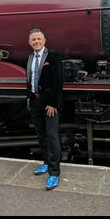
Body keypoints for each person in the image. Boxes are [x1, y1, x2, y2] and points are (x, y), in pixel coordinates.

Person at [27, 28, 63, 190]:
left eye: (38, 39)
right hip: (35, 101)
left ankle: (54, 173)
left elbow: (58, 81)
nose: (36, 41)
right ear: (30, 42)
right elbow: (29, 80)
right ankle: (46, 163)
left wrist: (53, 103)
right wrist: (29, 98)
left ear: (44, 40)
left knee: (52, 135)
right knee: (41, 133)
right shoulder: (29, 58)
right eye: (33, 39)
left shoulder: (53, 56)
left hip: (49, 104)